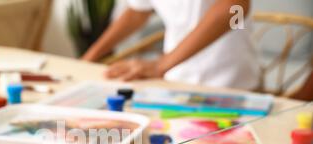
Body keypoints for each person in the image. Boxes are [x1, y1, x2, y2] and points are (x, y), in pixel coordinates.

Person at [82, 0, 260, 90]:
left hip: (228, 79)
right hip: (175, 79)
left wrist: (161, 65)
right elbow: (138, 11)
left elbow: (235, 7)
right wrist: (90, 56)